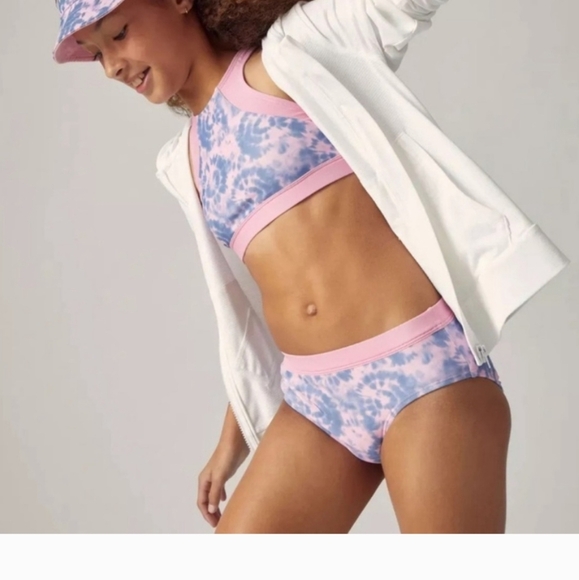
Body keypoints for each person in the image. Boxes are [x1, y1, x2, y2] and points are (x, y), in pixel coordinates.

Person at [53, 0, 570, 533]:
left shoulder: (296, 53)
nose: (112, 66)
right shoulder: (184, 160)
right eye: (96, 54)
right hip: (314, 400)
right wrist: (234, 436)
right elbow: (265, 303)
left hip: (423, 371)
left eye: (119, 33)